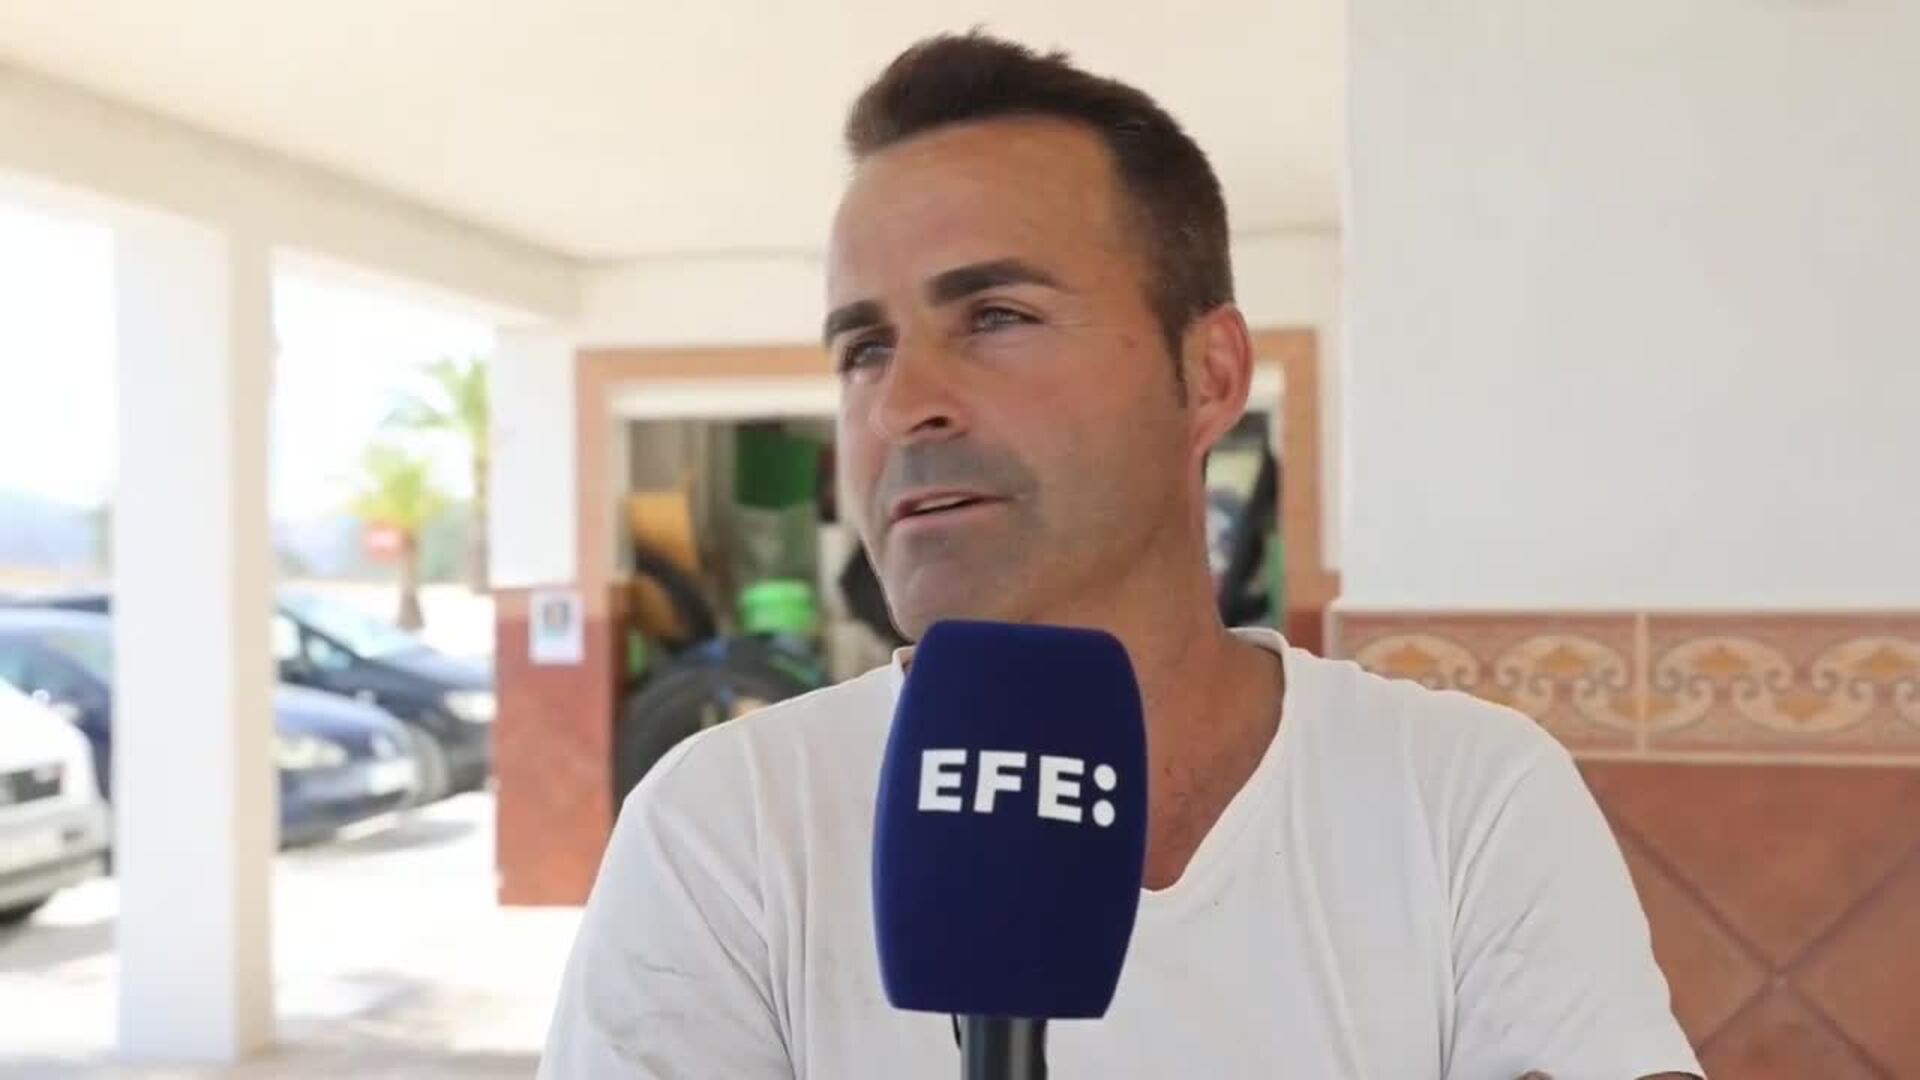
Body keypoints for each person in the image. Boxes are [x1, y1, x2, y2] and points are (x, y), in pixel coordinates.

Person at [540, 33, 1701, 1080]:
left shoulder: (1465, 798)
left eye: (995, 316)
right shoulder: (721, 829)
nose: (902, 404)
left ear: (1209, 375)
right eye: (865, 348)